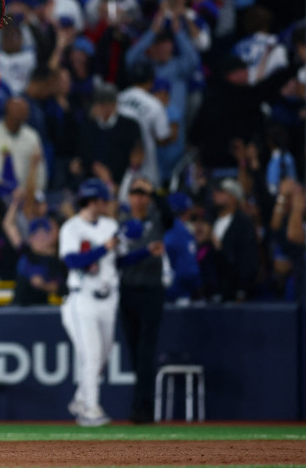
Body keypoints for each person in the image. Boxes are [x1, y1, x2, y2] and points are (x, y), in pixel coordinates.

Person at [58, 178, 119, 427]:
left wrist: (147, 252)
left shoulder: (110, 225)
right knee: (91, 356)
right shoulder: (71, 228)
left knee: (102, 358)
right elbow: (72, 262)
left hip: (109, 297)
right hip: (81, 298)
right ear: (93, 201)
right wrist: (103, 249)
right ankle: (90, 409)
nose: (106, 203)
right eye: (103, 199)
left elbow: (119, 259)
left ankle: (81, 398)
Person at [117, 176, 170, 424]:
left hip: (151, 290)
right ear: (129, 197)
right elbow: (116, 259)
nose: (139, 198)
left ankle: (143, 409)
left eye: (143, 194)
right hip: (127, 290)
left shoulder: (156, 220)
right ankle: (142, 404)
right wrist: (144, 253)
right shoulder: (121, 223)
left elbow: (170, 214)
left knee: (145, 351)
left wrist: (155, 190)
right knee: (134, 351)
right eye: (136, 193)